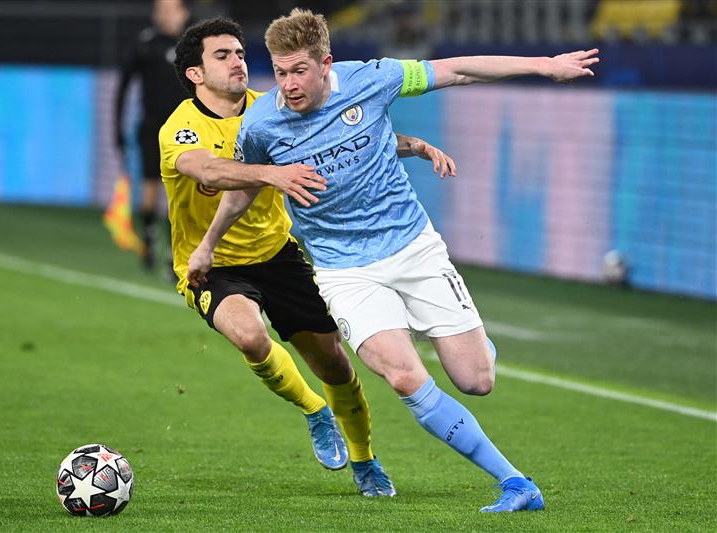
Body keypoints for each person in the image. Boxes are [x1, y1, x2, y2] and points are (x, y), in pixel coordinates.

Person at [188, 8, 600, 512]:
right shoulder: (261, 122)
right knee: (405, 378)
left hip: (413, 248)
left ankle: (471, 342)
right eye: (279, 72)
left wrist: (545, 66)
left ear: (326, 64)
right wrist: (207, 245)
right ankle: (516, 483)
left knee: (476, 381)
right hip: (345, 271)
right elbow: (246, 187)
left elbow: (458, 70)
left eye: (299, 71)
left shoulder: (373, 78)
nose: (288, 85)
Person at [159, 17, 455, 497]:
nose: (238, 61)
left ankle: (365, 461)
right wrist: (270, 174)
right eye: (222, 55)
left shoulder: (271, 108)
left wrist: (413, 145)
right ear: (195, 74)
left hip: (279, 254)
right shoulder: (181, 129)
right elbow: (208, 169)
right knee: (250, 336)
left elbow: (342, 142)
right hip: (212, 266)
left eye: (239, 52)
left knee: (336, 364)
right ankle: (315, 412)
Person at [115, 0, 191, 272]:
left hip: (186, 133)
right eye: (161, 10)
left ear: (183, 12)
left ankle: (175, 255)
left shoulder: (194, 46)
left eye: (171, 9)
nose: (165, 15)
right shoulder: (144, 44)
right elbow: (122, 87)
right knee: (150, 191)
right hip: (151, 128)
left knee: (181, 194)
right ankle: (148, 239)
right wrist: (118, 130)